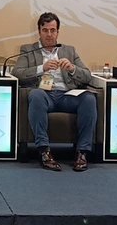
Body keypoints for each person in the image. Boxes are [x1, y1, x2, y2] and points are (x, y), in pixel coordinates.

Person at [11, 12, 96, 172]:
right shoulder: (28, 50)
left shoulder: (69, 51)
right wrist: (41, 68)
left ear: (58, 32)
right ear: (39, 31)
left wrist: (71, 68)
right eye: (45, 30)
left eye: (53, 30)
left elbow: (87, 76)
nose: (49, 34)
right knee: (36, 94)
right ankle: (44, 151)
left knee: (89, 98)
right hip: (44, 95)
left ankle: (82, 153)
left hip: (66, 96)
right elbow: (17, 73)